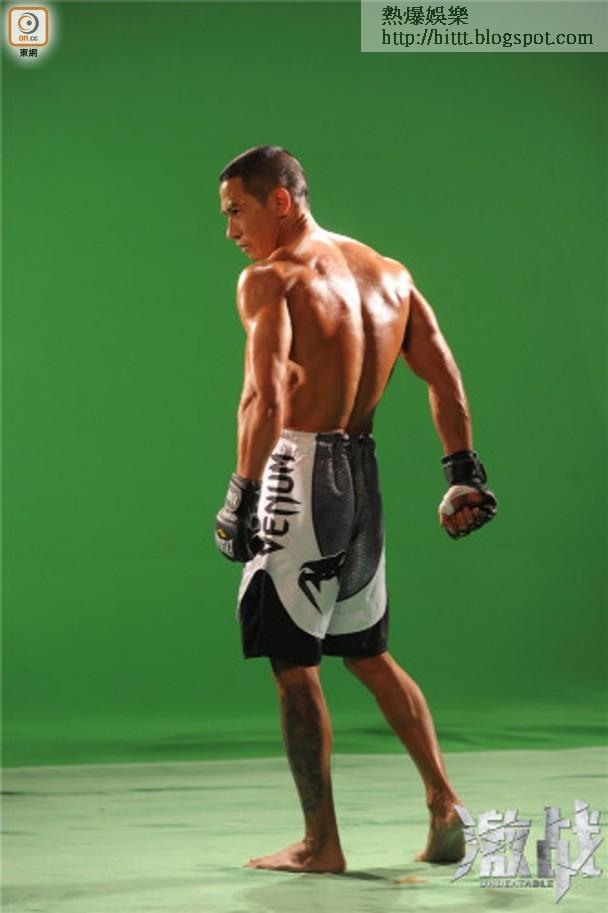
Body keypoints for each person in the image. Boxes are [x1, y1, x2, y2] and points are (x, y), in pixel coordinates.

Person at [214, 145, 497, 875]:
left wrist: (243, 492)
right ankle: (445, 803)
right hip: (362, 473)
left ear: (281, 200)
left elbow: (264, 397)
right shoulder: (388, 273)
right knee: (367, 653)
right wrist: (461, 473)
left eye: (237, 211)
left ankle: (321, 844)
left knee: (293, 662)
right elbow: (443, 374)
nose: (231, 231)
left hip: (299, 471)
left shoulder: (272, 279)